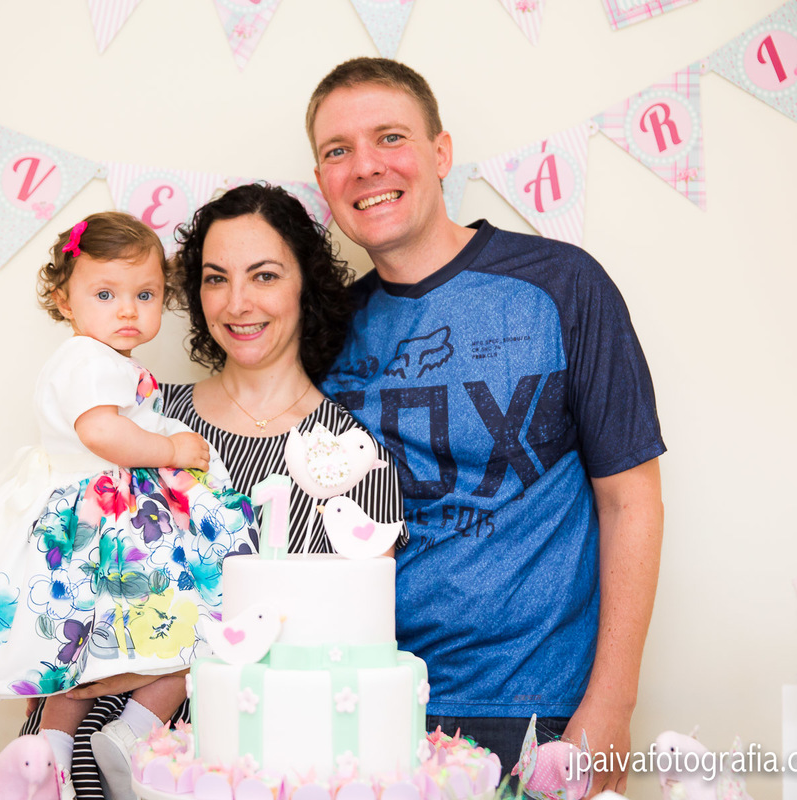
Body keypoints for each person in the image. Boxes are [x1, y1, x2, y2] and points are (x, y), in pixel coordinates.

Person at [309, 58, 666, 794]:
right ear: (322, 181)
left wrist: (612, 703)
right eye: (337, 150)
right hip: (368, 708)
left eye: (390, 137)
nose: (366, 166)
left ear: (441, 153)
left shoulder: (561, 284)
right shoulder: (326, 329)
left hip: (538, 710)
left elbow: (630, 500)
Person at [23, 183, 406, 800]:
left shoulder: (353, 456)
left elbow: (341, 644)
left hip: (251, 765)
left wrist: (166, 656)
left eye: (264, 275)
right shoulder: (143, 419)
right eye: (215, 277)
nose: (237, 302)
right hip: (80, 758)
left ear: (305, 285)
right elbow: (57, 558)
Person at [0, 212, 258, 799]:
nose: (127, 309)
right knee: (191, 624)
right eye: (105, 293)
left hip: (111, 518)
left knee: (80, 647)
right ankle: (129, 733)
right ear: (65, 299)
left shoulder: (106, 361)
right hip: (106, 521)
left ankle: (62, 750)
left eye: (145, 294)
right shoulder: (86, 360)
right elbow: (102, 434)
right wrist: (172, 447)